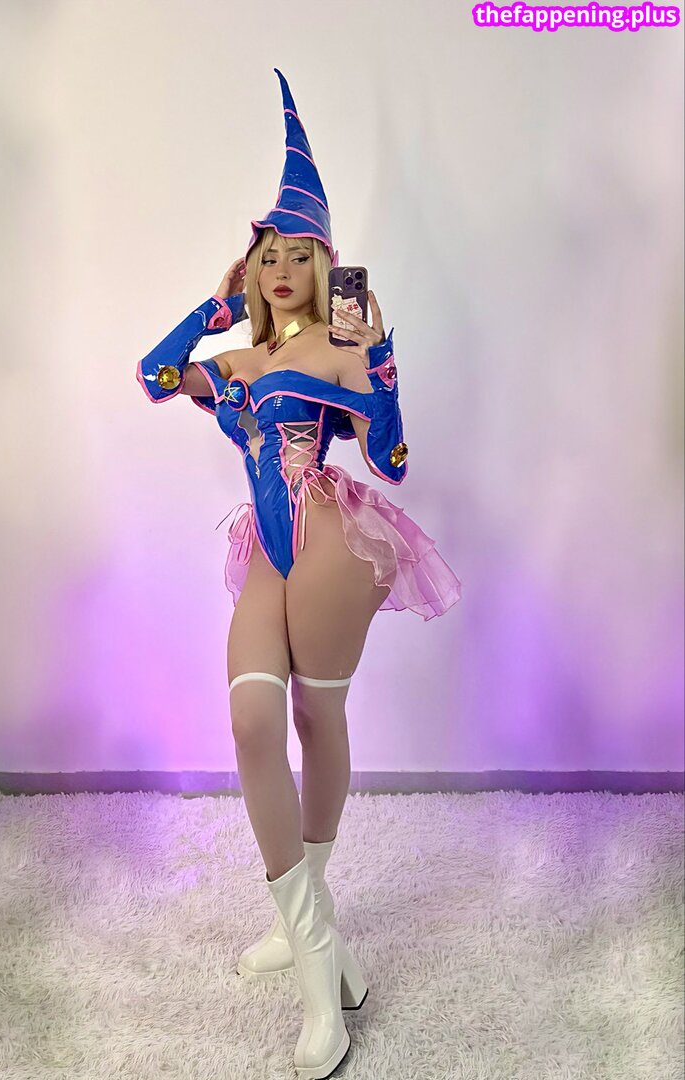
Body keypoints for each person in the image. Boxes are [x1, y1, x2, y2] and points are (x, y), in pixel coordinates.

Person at [136, 68, 462, 1080]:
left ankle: (309, 942)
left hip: (326, 539)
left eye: (296, 253)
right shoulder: (236, 363)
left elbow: (391, 460)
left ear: (325, 265)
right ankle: (318, 946)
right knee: (249, 723)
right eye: (264, 255)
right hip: (261, 549)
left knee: (316, 720)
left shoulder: (338, 346)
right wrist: (211, 306)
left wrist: (383, 365)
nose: (279, 268)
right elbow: (153, 376)